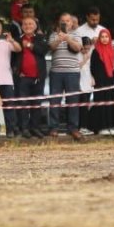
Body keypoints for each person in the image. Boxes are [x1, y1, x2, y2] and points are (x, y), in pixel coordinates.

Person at [11, 15, 49, 139]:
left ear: (35, 26)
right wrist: (17, 72)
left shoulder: (41, 38)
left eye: (30, 24)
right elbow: (12, 59)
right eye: (25, 24)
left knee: (36, 103)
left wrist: (29, 46)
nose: (28, 26)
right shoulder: (17, 39)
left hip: (38, 77)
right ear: (22, 27)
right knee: (23, 104)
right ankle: (24, 128)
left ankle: (35, 128)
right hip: (23, 78)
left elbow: (43, 51)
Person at [47, 13, 84, 141]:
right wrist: (59, 38)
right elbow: (51, 47)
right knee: (54, 101)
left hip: (72, 72)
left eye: (68, 21)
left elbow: (78, 48)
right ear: (59, 22)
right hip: (56, 72)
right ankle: (53, 128)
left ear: (71, 23)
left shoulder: (76, 34)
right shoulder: (53, 35)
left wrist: (68, 38)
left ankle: (73, 128)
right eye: (63, 21)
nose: (65, 23)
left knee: (73, 101)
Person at [89, 29, 114, 136]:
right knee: (101, 101)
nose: (104, 39)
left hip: (110, 78)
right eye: (102, 37)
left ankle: (112, 126)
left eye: (106, 36)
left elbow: (112, 66)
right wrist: (93, 78)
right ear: (99, 38)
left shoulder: (112, 50)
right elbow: (92, 67)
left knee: (111, 101)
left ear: (109, 38)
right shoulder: (95, 51)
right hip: (100, 80)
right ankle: (102, 126)